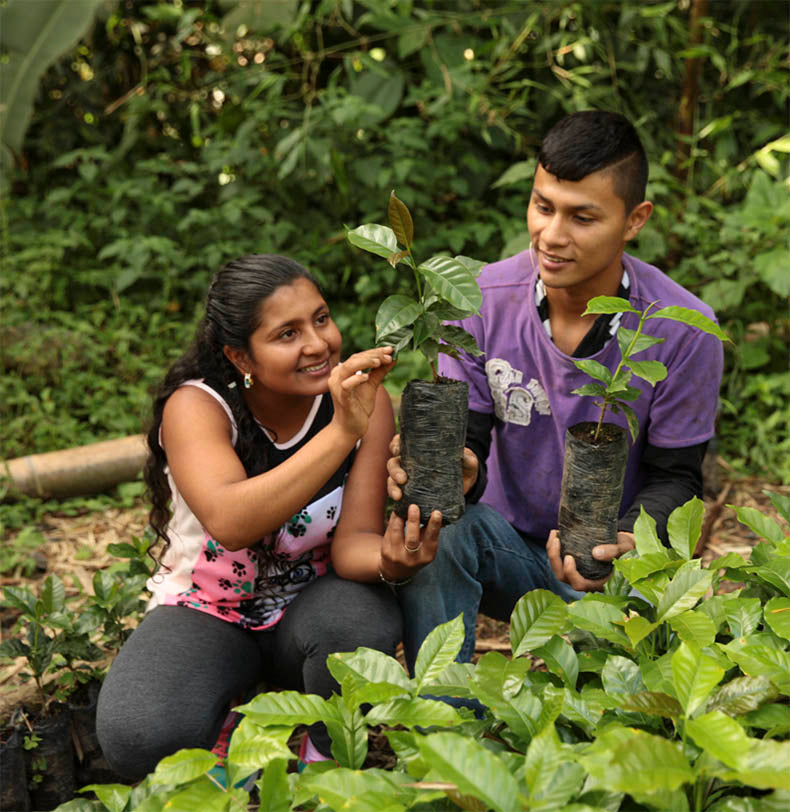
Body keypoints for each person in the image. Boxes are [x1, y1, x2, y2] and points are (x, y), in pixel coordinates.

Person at [386, 110, 724, 672]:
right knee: (445, 526)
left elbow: (677, 477)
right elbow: (470, 443)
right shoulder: (477, 300)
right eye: (543, 207)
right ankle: (441, 708)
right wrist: (459, 469)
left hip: (608, 568)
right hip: (505, 550)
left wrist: (625, 540)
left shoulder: (683, 329)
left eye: (582, 217)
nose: (552, 235)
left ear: (635, 220)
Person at [96, 254, 441, 781]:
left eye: (321, 319)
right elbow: (232, 521)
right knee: (137, 736)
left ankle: (324, 754)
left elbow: (354, 544)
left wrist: (395, 560)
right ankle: (229, 713)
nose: (318, 344)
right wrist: (342, 432)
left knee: (357, 619)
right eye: (287, 334)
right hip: (209, 612)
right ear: (241, 357)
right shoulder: (198, 407)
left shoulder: (364, 405)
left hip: (311, 614)